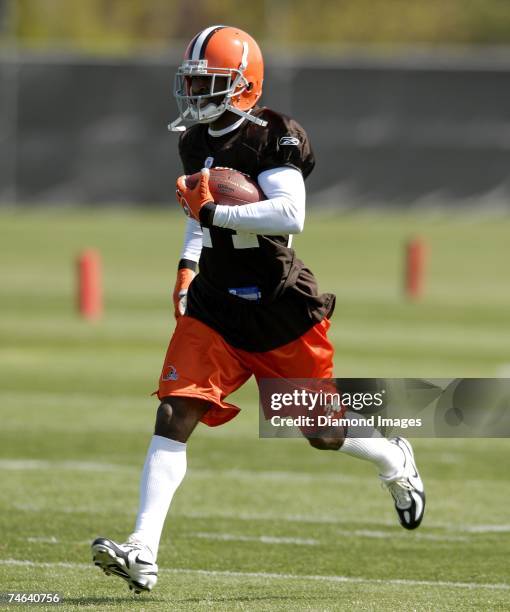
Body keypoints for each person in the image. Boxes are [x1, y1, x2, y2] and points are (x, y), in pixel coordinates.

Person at [91, 25, 425, 594]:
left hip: (278, 306)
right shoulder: (195, 141)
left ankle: (393, 457)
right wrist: (188, 264)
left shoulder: (276, 135)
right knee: (174, 414)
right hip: (216, 304)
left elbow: (289, 214)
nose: (194, 93)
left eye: (207, 81)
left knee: (321, 431)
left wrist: (215, 217)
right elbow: (197, 213)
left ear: (243, 86)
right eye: (191, 81)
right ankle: (143, 550)